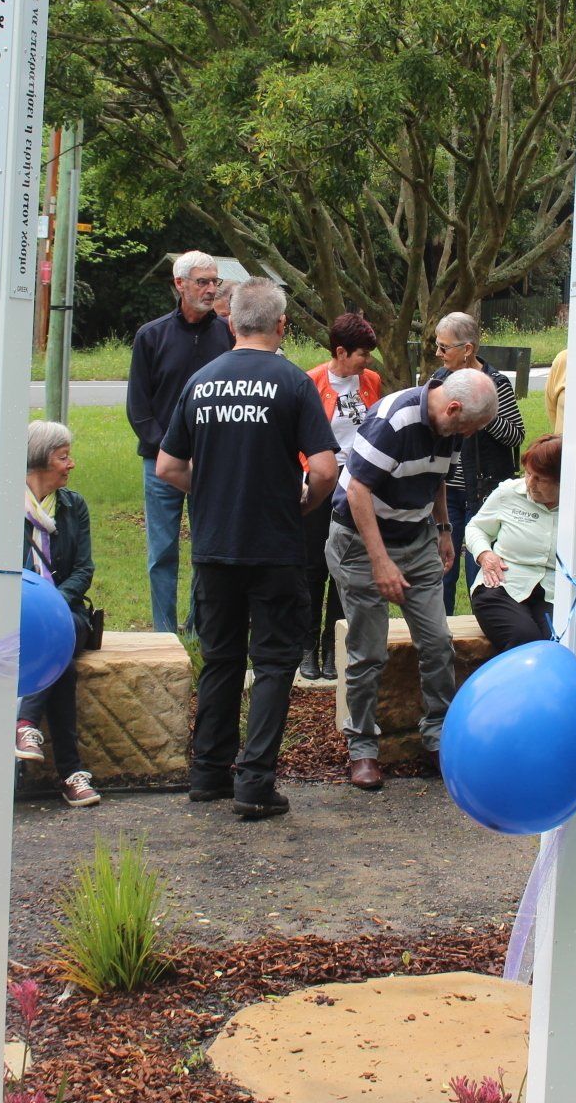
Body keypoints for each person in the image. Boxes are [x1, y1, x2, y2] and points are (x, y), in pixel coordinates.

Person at [157, 278, 338, 820]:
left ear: (231, 323)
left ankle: (208, 773)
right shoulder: (294, 382)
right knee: (277, 662)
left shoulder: (201, 381)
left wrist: (210, 491)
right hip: (276, 546)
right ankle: (255, 782)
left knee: (221, 659)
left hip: (215, 546)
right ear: (281, 326)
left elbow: (168, 466)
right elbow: (325, 470)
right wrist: (298, 505)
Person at [326, 367, 500, 790]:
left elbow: (437, 477)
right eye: (472, 426)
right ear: (454, 407)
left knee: (437, 643)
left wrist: (443, 530)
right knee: (368, 651)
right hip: (361, 541)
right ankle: (362, 747)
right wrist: (380, 561)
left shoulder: (452, 425)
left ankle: (438, 736)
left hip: (417, 536)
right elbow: (357, 492)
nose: (471, 435)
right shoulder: (393, 420)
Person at [126, 250, 233, 635]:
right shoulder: (151, 336)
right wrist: (169, 453)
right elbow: (139, 409)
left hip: (211, 463)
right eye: (202, 281)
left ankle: (197, 627)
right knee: (163, 551)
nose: (210, 289)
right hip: (161, 463)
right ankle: (164, 632)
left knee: (207, 550)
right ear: (180, 284)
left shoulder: (226, 335)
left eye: (214, 282)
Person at [13, 420, 101, 808]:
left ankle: (25, 724)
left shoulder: (73, 505)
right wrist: (35, 606)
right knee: (58, 657)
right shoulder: (5, 504)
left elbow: (83, 569)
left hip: (65, 610)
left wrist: (52, 603)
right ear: (38, 460)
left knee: (60, 634)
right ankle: (70, 772)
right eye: (64, 457)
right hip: (17, 611)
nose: (72, 464)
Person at [301, 313, 382, 680]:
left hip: (357, 483)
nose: (367, 361)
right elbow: (298, 438)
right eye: (362, 354)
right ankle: (306, 648)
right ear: (340, 351)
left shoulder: (371, 382)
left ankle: (335, 645)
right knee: (312, 567)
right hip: (320, 481)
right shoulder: (311, 382)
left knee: (345, 568)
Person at [431, 312, 524, 613]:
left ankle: (482, 637)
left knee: (480, 573)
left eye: (444, 347)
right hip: (446, 494)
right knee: (442, 570)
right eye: (437, 345)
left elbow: (516, 435)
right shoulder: (439, 381)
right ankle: (440, 638)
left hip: (484, 494)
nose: (438, 353)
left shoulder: (497, 384)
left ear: (467, 349)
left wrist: (484, 412)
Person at [465, 435, 563, 652]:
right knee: (523, 639)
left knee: (558, 641)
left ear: (561, 480)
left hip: (553, 590)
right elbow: (476, 527)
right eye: (528, 474)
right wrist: (484, 554)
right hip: (502, 586)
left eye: (540, 479)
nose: (530, 483)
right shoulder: (508, 493)